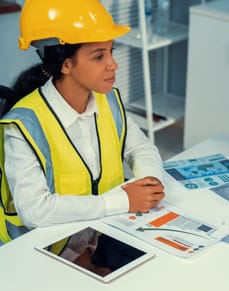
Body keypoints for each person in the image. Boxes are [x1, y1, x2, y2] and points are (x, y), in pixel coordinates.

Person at [0, 0, 166, 248]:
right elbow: (35, 210)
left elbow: (141, 149)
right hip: (39, 256)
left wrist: (150, 182)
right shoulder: (23, 126)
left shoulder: (108, 101)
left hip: (95, 241)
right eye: (99, 56)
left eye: (111, 51)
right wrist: (122, 201)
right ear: (66, 64)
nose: (113, 64)